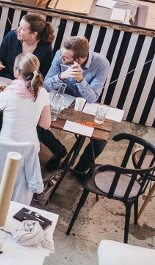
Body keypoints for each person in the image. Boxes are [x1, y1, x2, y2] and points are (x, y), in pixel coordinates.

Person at [42, 36, 113, 172]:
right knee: (33, 119)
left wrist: (80, 80)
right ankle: (58, 150)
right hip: (60, 99)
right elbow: (46, 84)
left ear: (78, 60)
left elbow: (92, 97)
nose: (61, 59)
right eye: (62, 55)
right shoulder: (60, 54)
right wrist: (61, 76)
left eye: (65, 58)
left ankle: (80, 169)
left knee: (100, 141)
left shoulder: (101, 64)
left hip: (84, 105)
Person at [0, 53, 51, 145]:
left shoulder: (8, 93)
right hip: (29, 148)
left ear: (18, 71)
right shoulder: (43, 92)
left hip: (6, 147)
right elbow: (45, 125)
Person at [0, 13, 55, 80]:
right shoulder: (11, 36)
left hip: (27, 85)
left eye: (22, 29)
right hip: (4, 79)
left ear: (33, 34)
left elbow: (43, 76)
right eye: (19, 26)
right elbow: (0, 58)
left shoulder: (46, 49)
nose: (17, 30)